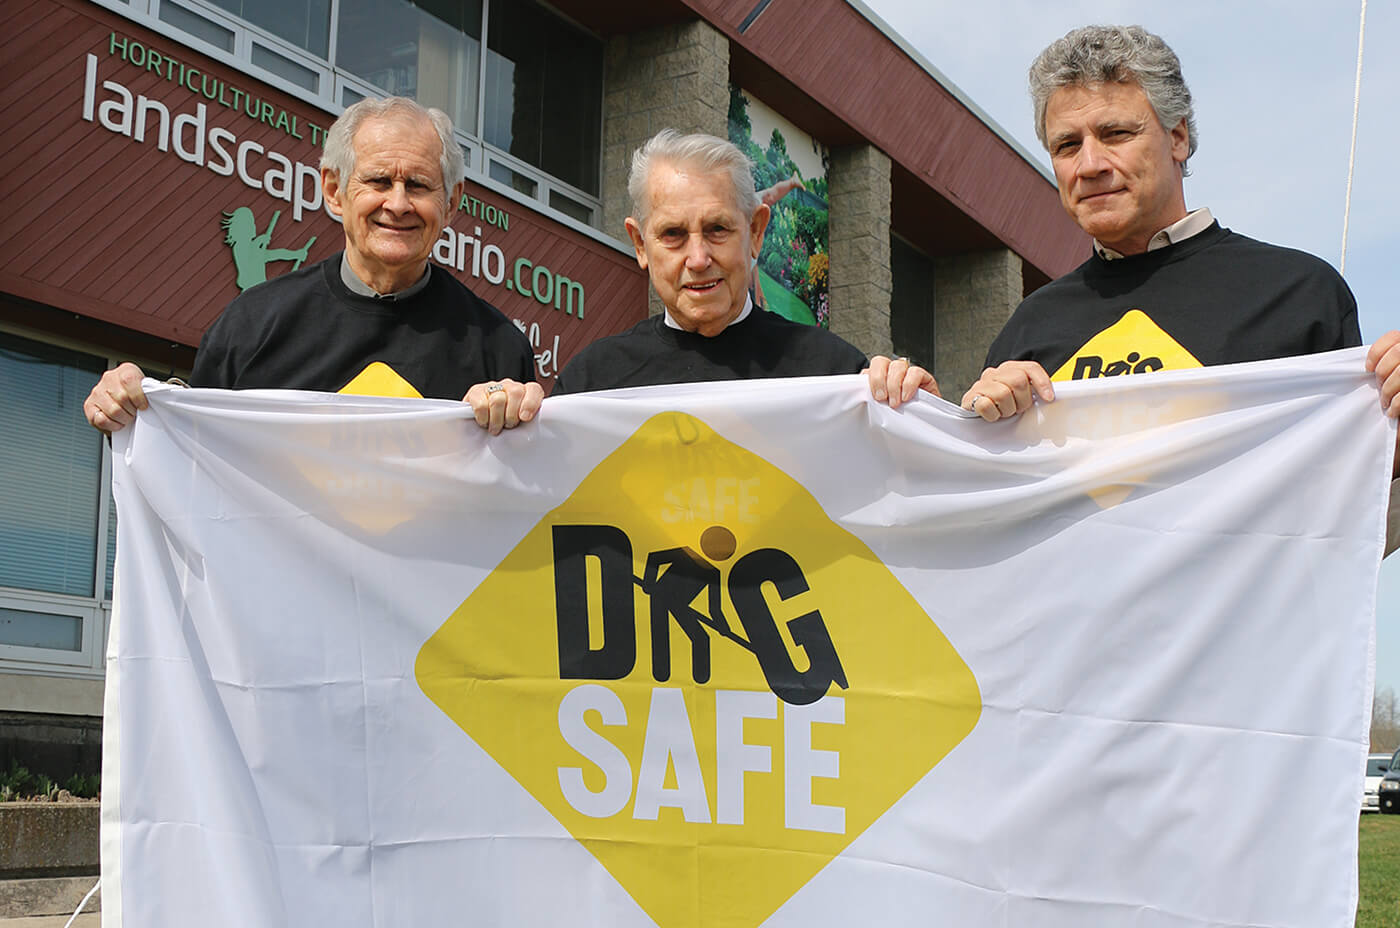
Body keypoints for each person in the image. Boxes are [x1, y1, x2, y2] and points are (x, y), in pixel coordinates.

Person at [941, 25, 1398, 550]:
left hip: (1249, 626)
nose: (1089, 165)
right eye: (1067, 145)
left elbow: (1356, 518)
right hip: (1086, 628)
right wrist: (970, 430)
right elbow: (990, 529)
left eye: (1115, 134)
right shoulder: (1029, 327)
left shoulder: (1299, 293)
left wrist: (1397, 444)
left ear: (1177, 137)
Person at [84, 96, 539, 435]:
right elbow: (192, 456)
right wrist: (132, 411)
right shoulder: (252, 325)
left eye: (418, 186)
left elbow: (526, 507)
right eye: (379, 181)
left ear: (452, 203)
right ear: (333, 190)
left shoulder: (499, 351)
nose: (398, 204)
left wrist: (525, 427)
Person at [552, 129, 936, 407]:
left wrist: (922, 415)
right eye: (673, 234)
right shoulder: (590, 383)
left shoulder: (836, 374)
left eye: (717, 229)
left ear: (755, 232)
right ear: (640, 244)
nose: (698, 259)